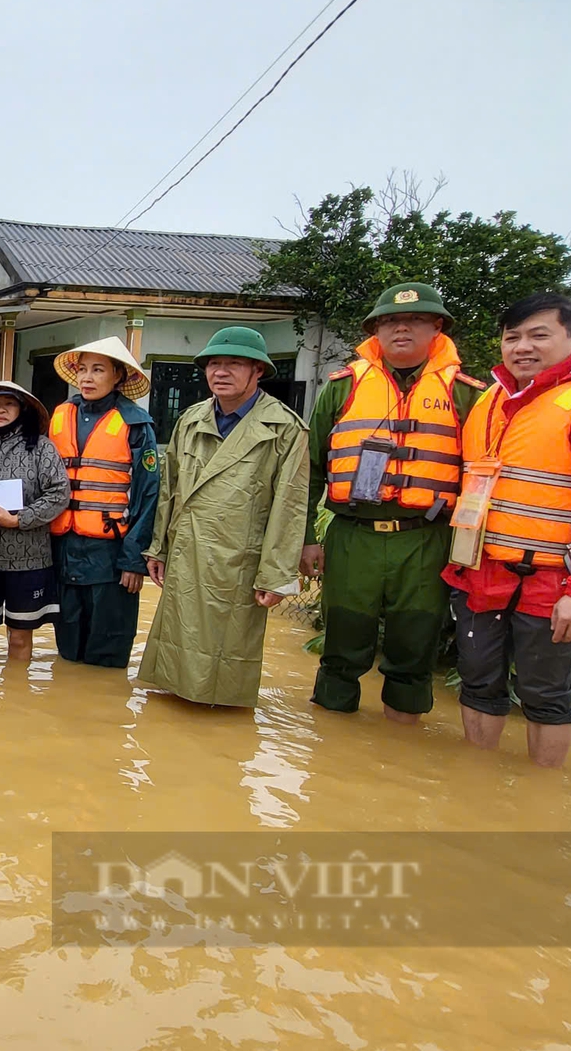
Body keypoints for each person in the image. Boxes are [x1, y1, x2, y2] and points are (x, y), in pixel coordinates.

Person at [444, 293, 571, 767]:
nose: (522, 347)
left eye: (539, 335)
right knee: (478, 680)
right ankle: (473, 785)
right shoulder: (491, 400)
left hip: (554, 581)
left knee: (545, 692)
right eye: (512, 336)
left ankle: (543, 799)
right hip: (481, 571)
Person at [301, 283, 489, 724]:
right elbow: (308, 471)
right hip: (353, 536)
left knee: (414, 648)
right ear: (376, 330)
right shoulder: (341, 388)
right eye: (389, 321)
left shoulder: (466, 394)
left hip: (426, 538)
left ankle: (401, 742)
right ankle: (327, 743)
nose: (401, 327)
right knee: (341, 647)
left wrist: (469, 553)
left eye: (415, 320)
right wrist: (308, 539)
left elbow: (481, 479)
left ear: (436, 327)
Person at [142, 327, 310, 708]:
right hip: (186, 548)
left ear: (258, 372)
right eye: (214, 364)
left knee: (227, 652)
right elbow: (170, 488)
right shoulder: (191, 419)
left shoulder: (284, 428)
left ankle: (221, 730)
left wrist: (276, 574)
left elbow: (290, 504)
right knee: (176, 645)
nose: (221, 372)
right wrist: (158, 548)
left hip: (239, 558)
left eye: (234, 363)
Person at [47, 339, 161, 668]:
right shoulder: (60, 416)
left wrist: (134, 561)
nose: (87, 378)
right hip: (64, 551)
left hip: (111, 558)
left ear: (118, 376)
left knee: (106, 656)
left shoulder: (137, 424)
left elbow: (147, 494)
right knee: (67, 652)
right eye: (82, 369)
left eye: (98, 370)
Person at [0, 381, 70, 662]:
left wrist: (18, 519)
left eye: (9, 404)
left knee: (20, 637)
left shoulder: (41, 448)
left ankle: (17, 696)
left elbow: (59, 493)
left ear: (22, 409)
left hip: (29, 558)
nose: (1, 410)